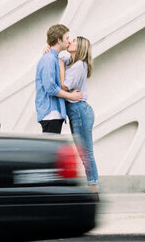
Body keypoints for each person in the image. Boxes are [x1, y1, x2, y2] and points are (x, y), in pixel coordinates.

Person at [62, 36, 98, 189]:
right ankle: (93, 186)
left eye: (74, 41)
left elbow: (63, 87)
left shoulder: (78, 66)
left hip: (79, 111)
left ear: (81, 47)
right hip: (78, 111)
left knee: (86, 153)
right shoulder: (73, 64)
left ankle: (93, 188)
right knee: (84, 153)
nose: (70, 42)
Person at [35, 24, 82, 134]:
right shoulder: (49, 59)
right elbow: (50, 88)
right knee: (50, 151)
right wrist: (71, 96)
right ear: (59, 40)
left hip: (53, 114)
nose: (69, 41)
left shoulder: (53, 58)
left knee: (51, 150)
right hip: (50, 113)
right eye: (67, 38)